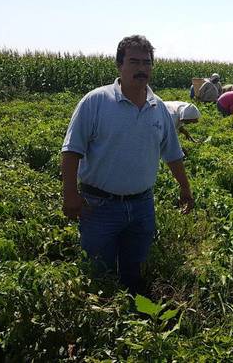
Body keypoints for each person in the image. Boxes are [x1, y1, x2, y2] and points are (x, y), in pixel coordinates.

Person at [61, 35, 194, 294]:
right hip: (99, 207)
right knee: (100, 276)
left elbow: (173, 154)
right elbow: (71, 151)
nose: (142, 68)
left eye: (147, 62)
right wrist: (70, 194)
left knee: (136, 271)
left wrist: (185, 189)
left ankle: (136, 319)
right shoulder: (96, 102)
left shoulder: (159, 109)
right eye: (134, 61)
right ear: (119, 65)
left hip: (142, 205)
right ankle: (106, 326)